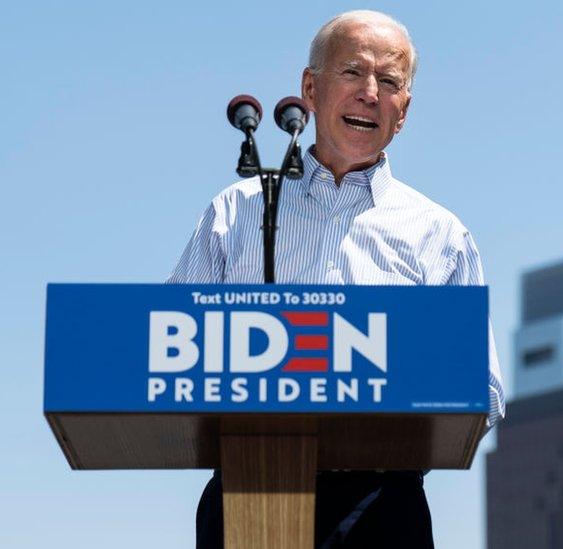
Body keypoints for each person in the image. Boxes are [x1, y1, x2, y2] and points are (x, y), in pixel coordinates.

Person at [166, 10, 505, 548]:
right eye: (352, 72)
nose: (371, 93)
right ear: (310, 88)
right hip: (249, 498)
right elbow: (167, 349)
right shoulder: (236, 212)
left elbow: (482, 393)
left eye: (390, 82)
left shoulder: (441, 235)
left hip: (383, 506)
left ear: (405, 110)